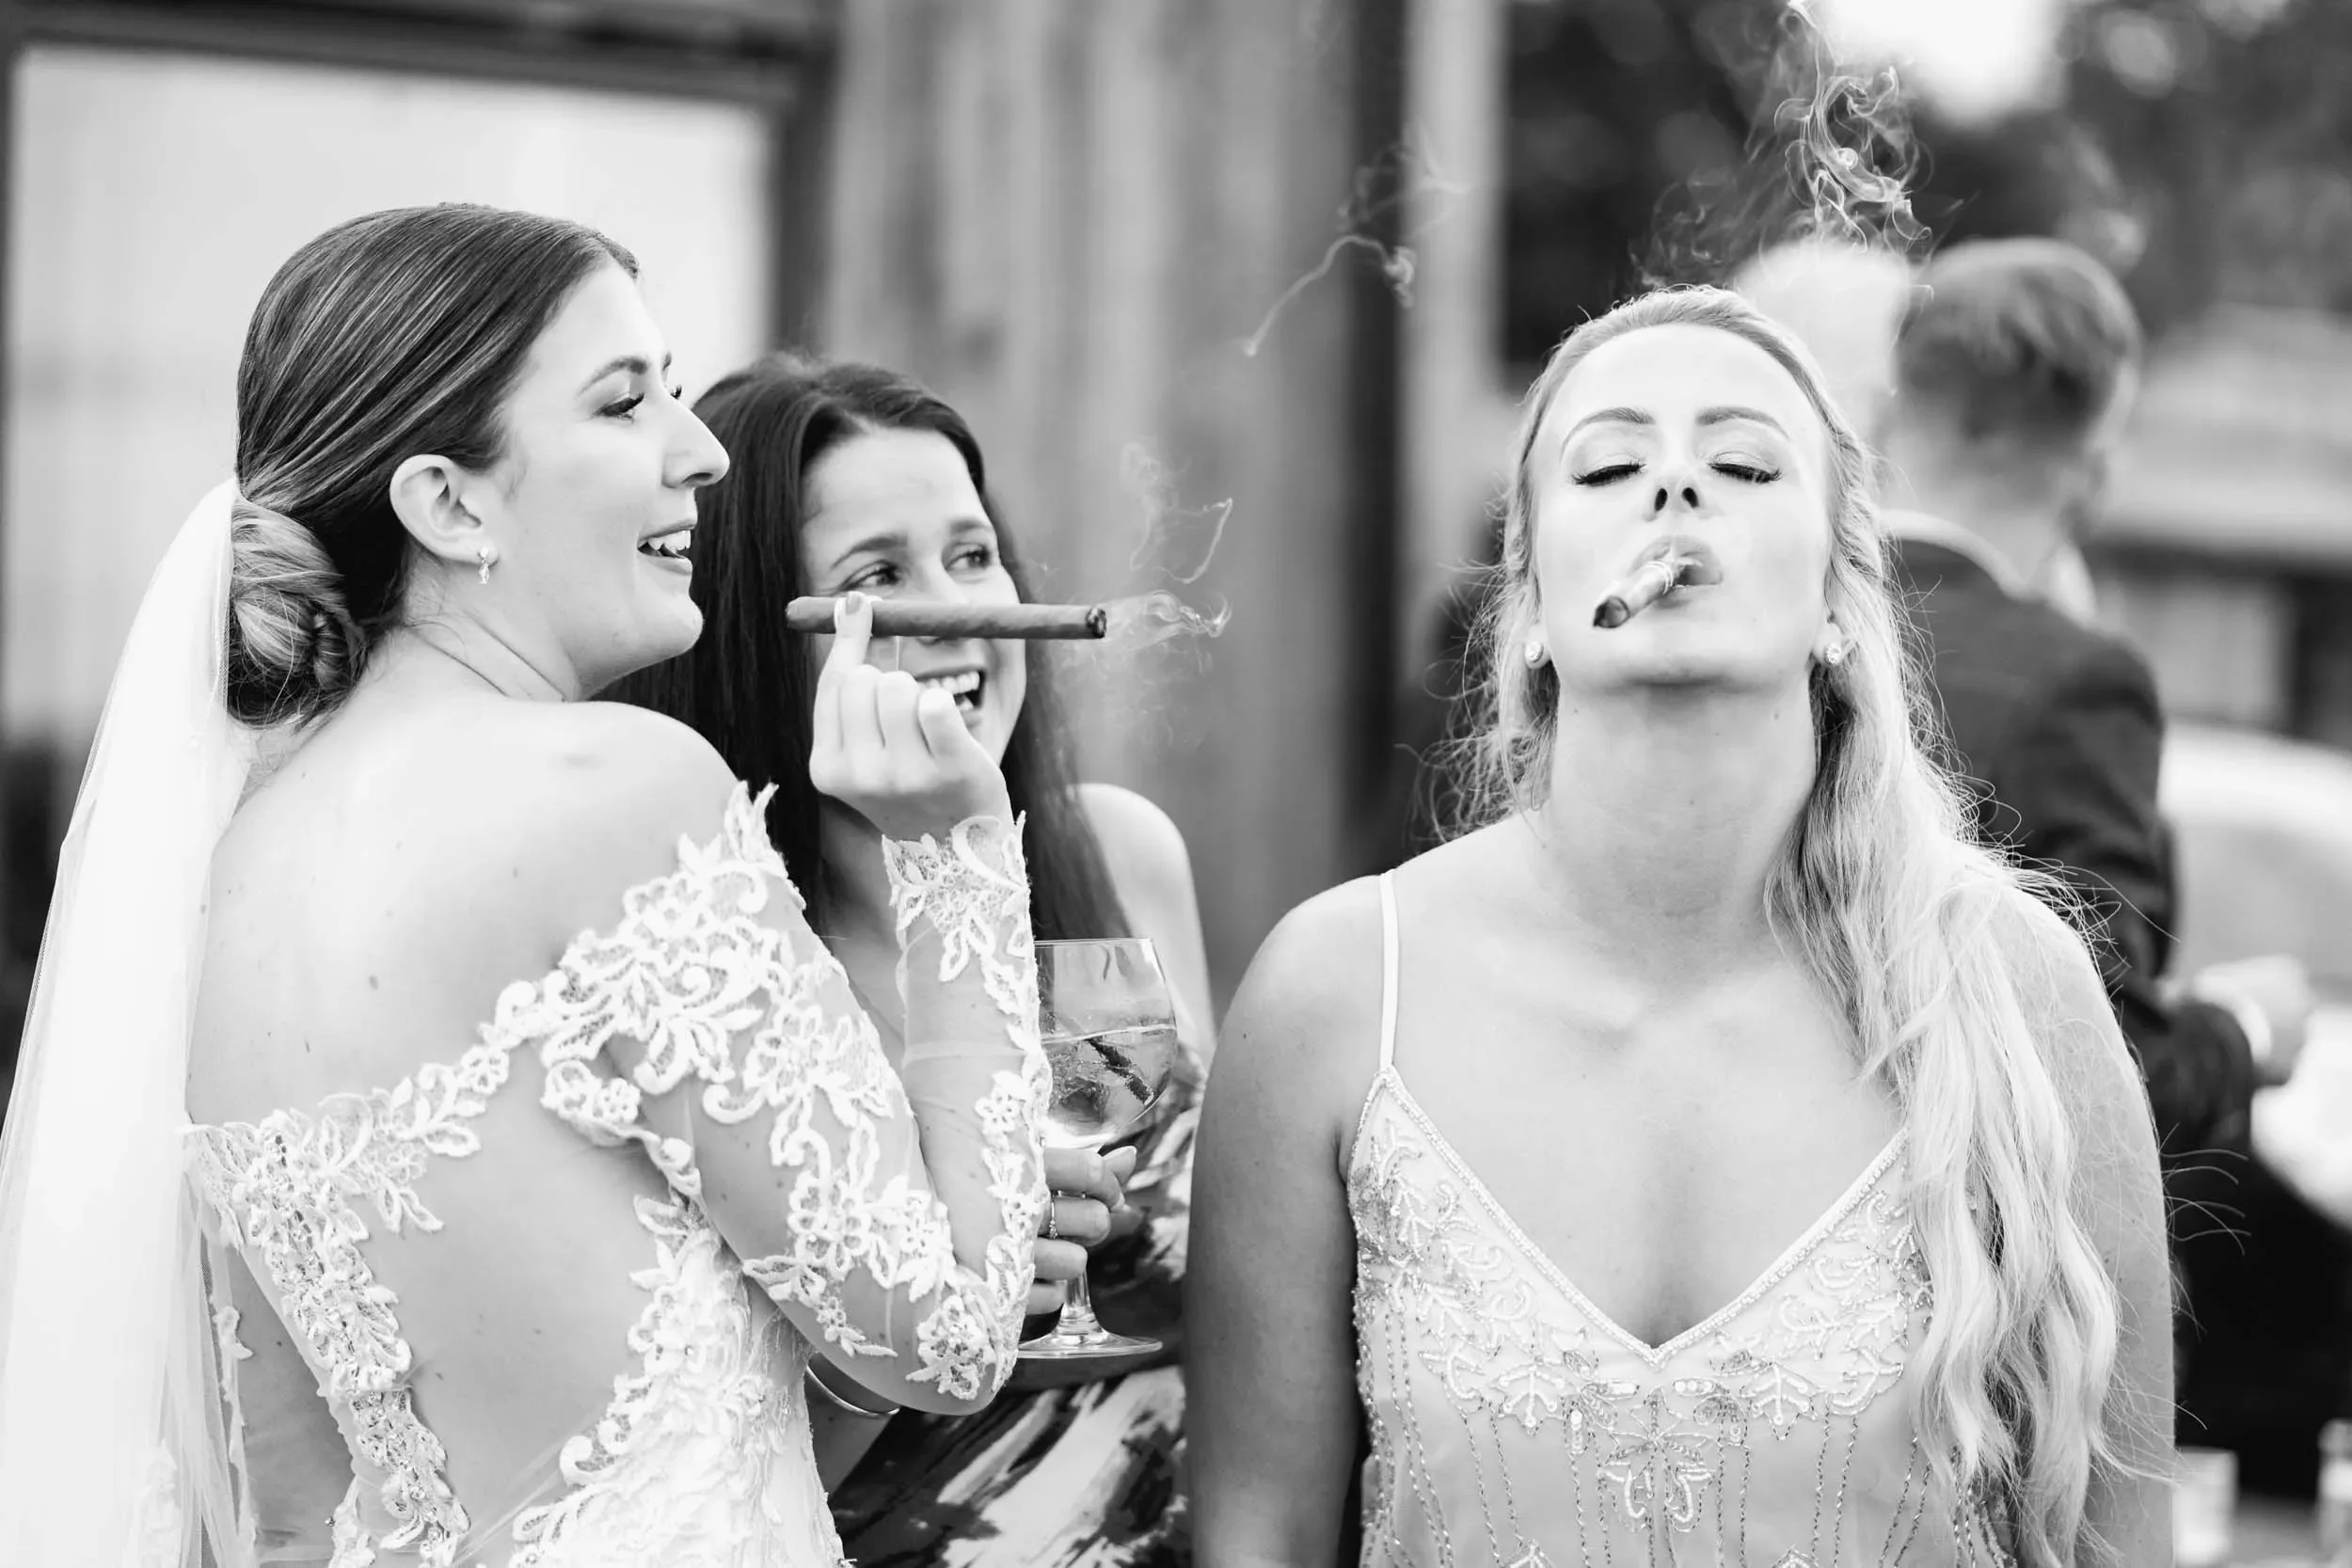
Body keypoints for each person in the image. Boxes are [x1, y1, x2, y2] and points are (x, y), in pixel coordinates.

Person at [0, 205, 1091, 1565]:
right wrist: (957, 855)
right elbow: (946, 1333)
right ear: (450, 503)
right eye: (627, 404)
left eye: (679, 396)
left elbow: (284, 1505)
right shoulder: (618, 791)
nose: (697, 456)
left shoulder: (230, 877)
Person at [1188, 285, 2172, 1567]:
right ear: (1531, 613)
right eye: (1607, 463)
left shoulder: (2017, 995)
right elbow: (1254, 1536)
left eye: (1744, 461)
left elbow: (2123, 1544)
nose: (1673, 489)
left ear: (1838, 604)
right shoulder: (1331, 996)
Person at [612, 354, 1211, 1565]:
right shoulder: (727, 978)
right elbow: (719, 1473)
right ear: (755, 638)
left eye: (973, 556)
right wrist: (952, 1304)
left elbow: (1242, 1309)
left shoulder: (1123, 856)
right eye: (878, 576)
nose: (961, 614)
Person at [1878, 236, 2344, 1493]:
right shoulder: (2071, 679)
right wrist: (2250, 1027)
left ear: (1898, 403)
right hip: (1972, 1355)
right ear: (2097, 449)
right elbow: (2101, 1075)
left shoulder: (1795, 624)